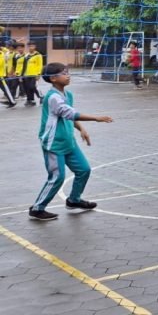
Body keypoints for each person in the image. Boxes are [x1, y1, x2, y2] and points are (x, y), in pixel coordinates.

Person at [28, 63, 114, 221]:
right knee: (57, 177)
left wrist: (81, 128)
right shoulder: (52, 97)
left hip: (68, 141)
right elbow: (69, 112)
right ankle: (37, 208)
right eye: (64, 73)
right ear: (53, 78)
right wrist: (96, 118)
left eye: (68, 72)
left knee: (84, 170)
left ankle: (74, 200)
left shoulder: (68, 95)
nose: (68, 75)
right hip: (53, 143)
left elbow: (70, 116)